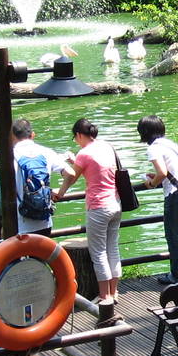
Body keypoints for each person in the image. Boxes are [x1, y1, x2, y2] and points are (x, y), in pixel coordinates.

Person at [57, 118, 121, 301]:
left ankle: (104, 296)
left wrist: (60, 193)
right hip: (115, 204)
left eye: (75, 138)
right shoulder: (106, 146)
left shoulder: (84, 154)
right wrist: (74, 159)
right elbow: (96, 167)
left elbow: (71, 177)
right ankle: (114, 292)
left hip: (98, 207)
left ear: (78, 135)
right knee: (112, 249)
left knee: (98, 252)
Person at [137, 115, 178, 284]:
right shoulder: (171, 144)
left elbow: (161, 173)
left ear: (144, 132)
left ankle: (177, 276)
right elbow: (172, 171)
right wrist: (160, 177)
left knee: (173, 236)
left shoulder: (154, 148)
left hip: (174, 196)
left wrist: (152, 183)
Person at [11, 118, 70, 235]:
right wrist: (61, 192)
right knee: (42, 254)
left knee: (17, 253)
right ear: (32, 135)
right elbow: (70, 173)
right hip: (44, 221)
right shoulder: (46, 152)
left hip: (20, 222)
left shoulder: (9, 155)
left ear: (12, 136)